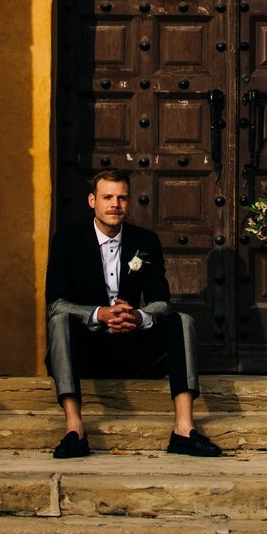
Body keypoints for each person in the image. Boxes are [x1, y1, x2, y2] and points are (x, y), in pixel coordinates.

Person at [45, 168, 223, 458]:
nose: (115, 204)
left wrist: (139, 317)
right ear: (92, 201)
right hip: (87, 348)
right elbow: (56, 302)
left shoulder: (145, 242)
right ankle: (74, 429)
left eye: (122, 198)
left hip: (133, 346)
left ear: (128, 203)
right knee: (59, 320)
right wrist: (99, 314)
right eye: (107, 197)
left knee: (182, 321)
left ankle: (184, 429)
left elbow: (161, 302)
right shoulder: (67, 240)